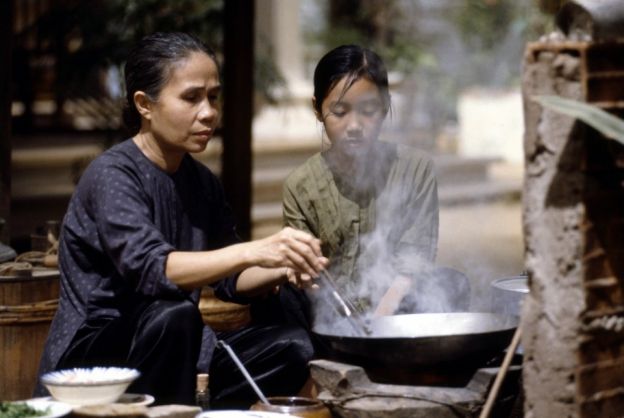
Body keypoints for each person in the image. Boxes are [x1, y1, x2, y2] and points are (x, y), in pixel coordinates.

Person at [36, 32, 328, 407]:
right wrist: (257, 249)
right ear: (144, 104)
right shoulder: (112, 174)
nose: (208, 111)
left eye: (213, 97)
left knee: (292, 346)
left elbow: (231, 279)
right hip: (96, 360)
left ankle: (195, 408)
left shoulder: (202, 182)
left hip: (179, 348)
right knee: (173, 315)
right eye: (191, 98)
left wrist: (286, 265)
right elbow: (154, 269)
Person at [283, 45, 467, 318]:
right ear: (317, 109)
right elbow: (309, 275)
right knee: (283, 301)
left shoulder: (415, 169)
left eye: (368, 110)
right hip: (330, 314)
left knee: (452, 283)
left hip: (397, 309)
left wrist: (380, 323)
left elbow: (414, 262)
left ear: (385, 106)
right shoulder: (300, 186)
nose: (354, 125)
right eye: (339, 111)